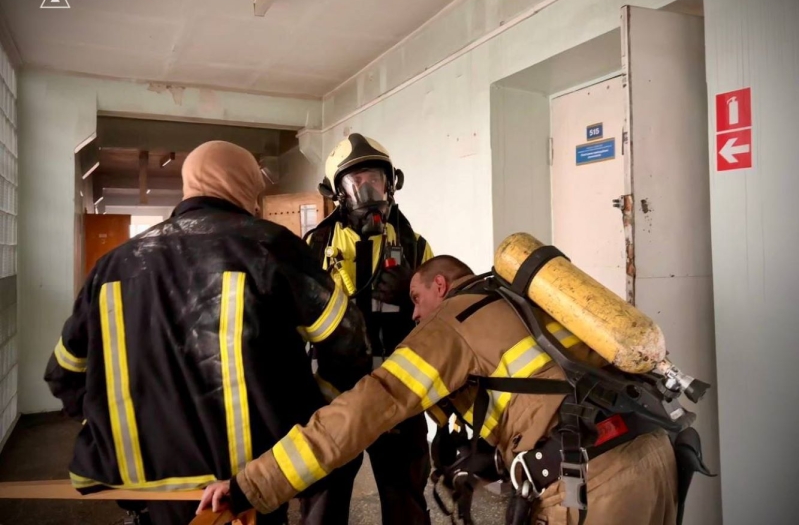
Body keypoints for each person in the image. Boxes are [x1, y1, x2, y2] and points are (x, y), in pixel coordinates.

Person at [199, 255, 679, 525]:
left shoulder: (450, 322)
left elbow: (362, 411)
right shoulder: (523, 302)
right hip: (656, 452)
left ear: (441, 287)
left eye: (415, 299)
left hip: (591, 485)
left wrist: (252, 485)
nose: (413, 315)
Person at [45, 141, 371, 525]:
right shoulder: (271, 247)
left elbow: (63, 374)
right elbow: (349, 342)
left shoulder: (113, 265)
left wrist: (106, 422)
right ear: (246, 187)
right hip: (244, 486)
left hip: (144, 484)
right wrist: (314, 415)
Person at [303, 133, 434, 525]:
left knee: (406, 502)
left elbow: (441, 320)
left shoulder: (414, 246)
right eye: (355, 182)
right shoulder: (315, 246)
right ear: (337, 192)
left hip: (399, 395)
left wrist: (414, 294)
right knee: (324, 504)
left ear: (391, 183)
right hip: (335, 398)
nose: (368, 190)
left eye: (375, 179)